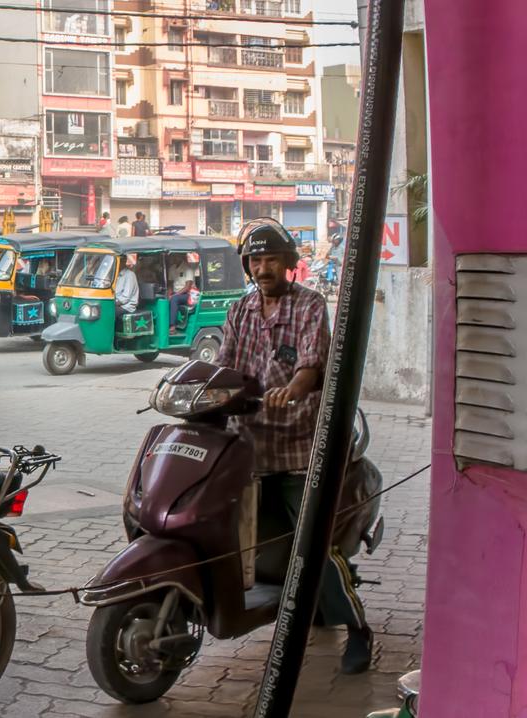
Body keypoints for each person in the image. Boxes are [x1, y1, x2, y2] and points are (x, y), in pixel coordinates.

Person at [215, 217, 373, 675]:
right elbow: (224, 366)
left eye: (271, 259)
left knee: (313, 544)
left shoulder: (309, 305)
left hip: (299, 447)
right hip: (247, 447)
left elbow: (310, 363)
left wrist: (296, 388)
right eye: (256, 260)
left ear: (288, 264)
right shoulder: (239, 311)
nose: (263, 268)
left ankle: (358, 629)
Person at [113, 254, 139, 331]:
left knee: (108, 312)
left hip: (126, 306)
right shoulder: (115, 275)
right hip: (116, 303)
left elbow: (125, 298)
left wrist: (112, 303)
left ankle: (111, 338)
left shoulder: (129, 275)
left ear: (123, 262)